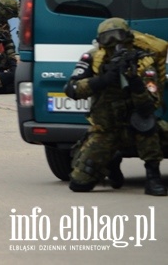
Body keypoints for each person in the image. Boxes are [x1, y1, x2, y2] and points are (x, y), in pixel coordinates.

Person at [63, 18, 168, 195]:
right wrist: (101, 81)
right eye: (107, 39)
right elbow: (71, 89)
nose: (114, 44)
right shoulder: (93, 59)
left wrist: (135, 82)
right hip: (106, 129)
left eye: (118, 37)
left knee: (148, 126)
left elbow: (149, 106)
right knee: (79, 184)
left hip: (138, 125)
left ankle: (153, 176)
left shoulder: (143, 62)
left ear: (128, 38)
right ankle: (111, 162)